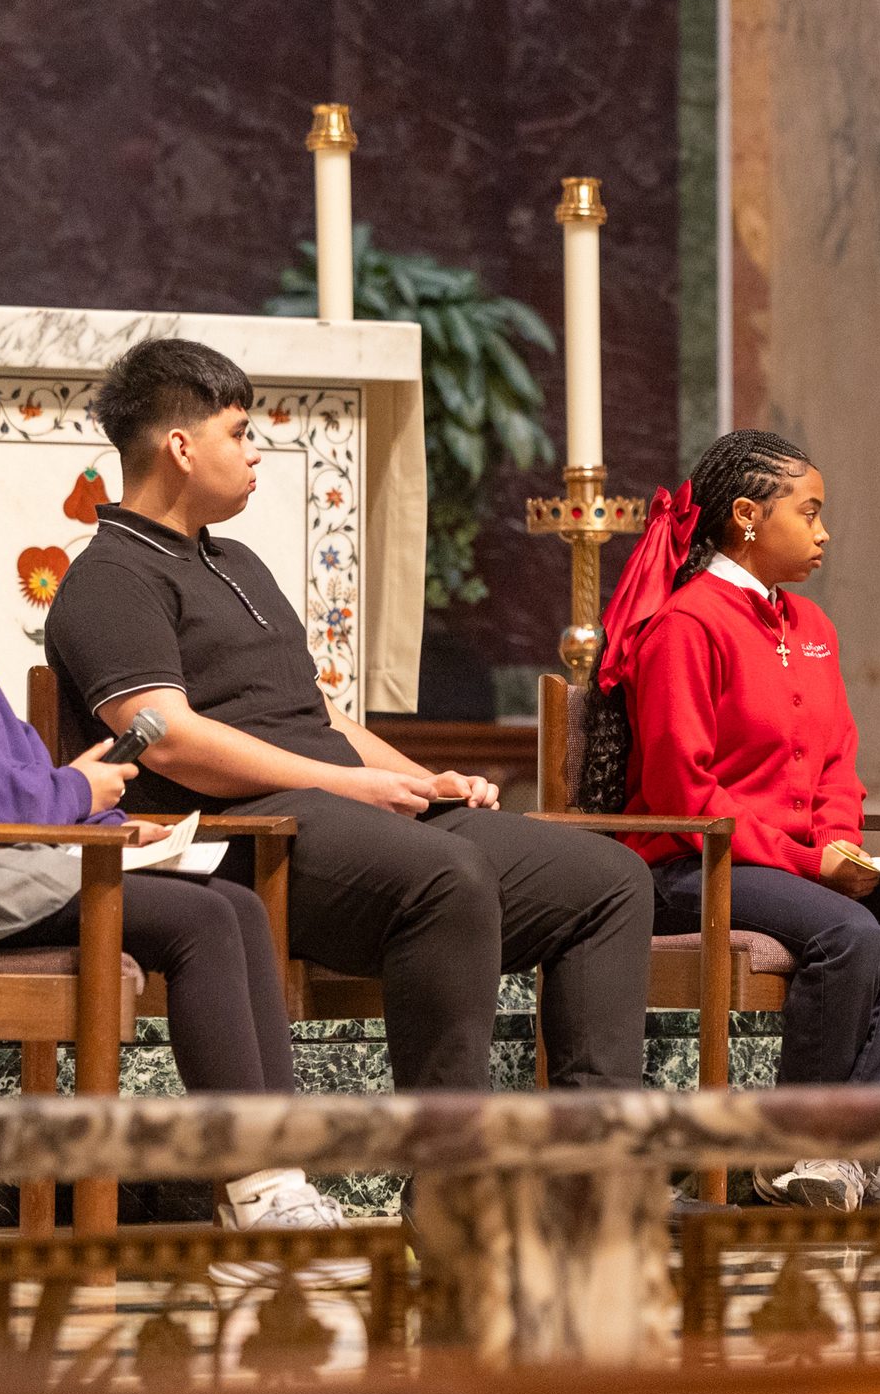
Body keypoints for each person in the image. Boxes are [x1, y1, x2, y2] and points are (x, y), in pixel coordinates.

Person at [0, 376, 360, 1271]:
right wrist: (76, 801)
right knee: (200, 920)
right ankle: (260, 1196)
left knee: (231, 904)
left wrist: (88, 818)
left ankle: (272, 1187)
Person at [43, 338, 655, 1101]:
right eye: (238, 433)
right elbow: (166, 737)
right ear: (181, 447)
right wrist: (350, 785)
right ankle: (450, 1178)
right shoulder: (109, 577)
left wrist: (417, 777)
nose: (253, 452)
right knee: (447, 878)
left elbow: (316, 712)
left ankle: (596, 1172)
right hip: (243, 837)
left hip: (335, 812)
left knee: (609, 879)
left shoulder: (236, 561)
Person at [581, 429, 880, 1212]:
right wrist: (812, 866)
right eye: (810, 511)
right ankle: (793, 1148)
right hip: (689, 866)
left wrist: (842, 848)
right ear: (747, 517)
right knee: (847, 932)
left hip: (795, 867)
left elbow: (838, 765)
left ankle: (864, 1142)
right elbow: (683, 793)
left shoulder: (815, 629)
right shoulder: (687, 626)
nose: (825, 531)